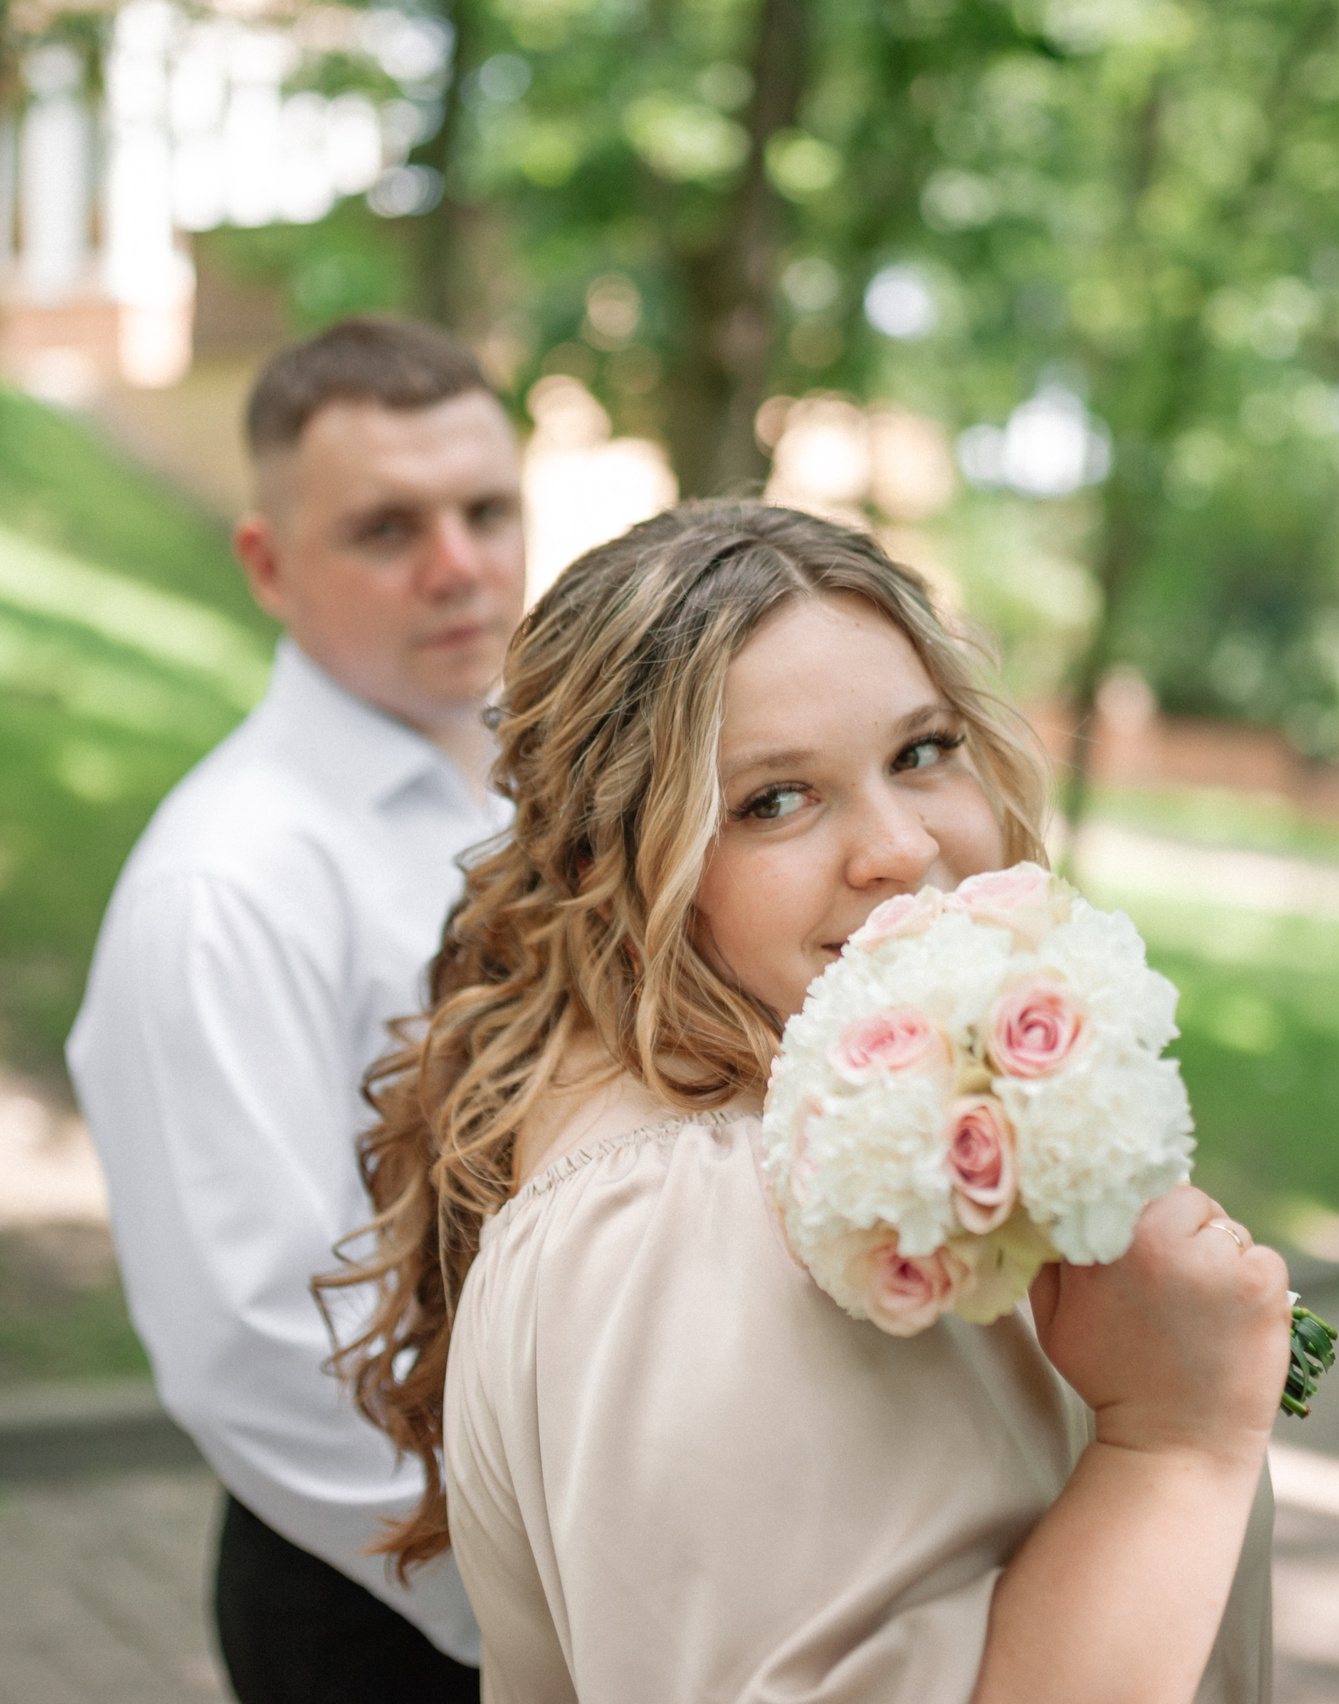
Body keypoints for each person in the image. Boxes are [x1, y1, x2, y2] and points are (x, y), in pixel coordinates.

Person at [330, 503, 1288, 1703]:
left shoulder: (839, 1119)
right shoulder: (690, 1219)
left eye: (922, 751)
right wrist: (1176, 1441)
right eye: (774, 800)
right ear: (610, 865)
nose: (898, 846)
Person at [67, 316, 525, 1704]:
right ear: (267, 562)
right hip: (393, 1605)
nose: (458, 565)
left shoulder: (546, 785)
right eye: (387, 529)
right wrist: (525, 1618)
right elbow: (257, 1342)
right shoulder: (224, 884)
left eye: (486, 509)